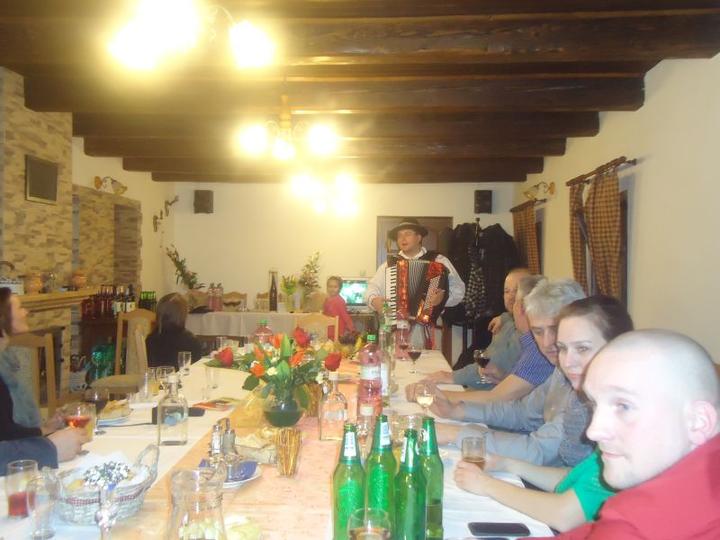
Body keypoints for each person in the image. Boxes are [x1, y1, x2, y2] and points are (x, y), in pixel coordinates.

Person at [455, 296, 633, 532]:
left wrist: (486, 485)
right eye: (563, 348)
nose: (567, 361)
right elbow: (575, 479)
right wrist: (507, 464)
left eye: (582, 348)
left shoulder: (629, 422)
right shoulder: (598, 403)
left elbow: (565, 515)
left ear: (617, 347)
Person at [540, 330, 720, 539]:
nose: (593, 431)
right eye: (593, 404)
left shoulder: (640, 524)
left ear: (698, 422)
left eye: (623, 406)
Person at [433, 279, 588, 466]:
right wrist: (457, 410)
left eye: (554, 329)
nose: (547, 343)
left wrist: (457, 434)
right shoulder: (560, 370)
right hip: (530, 463)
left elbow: (538, 450)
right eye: (538, 332)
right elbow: (521, 412)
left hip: (541, 473)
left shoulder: (587, 383)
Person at [423, 273, 547, 405]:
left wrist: (434, 395)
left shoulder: (537, 349)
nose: (510, 298)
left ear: (521, 308)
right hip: (489, 400)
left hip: (493, 405)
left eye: (515, 295)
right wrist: (503, 378)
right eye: (506, 291)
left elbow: (499, 399)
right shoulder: (513, 328)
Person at [0, 287, 88, 463]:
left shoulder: (7, 362)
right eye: (19, 308)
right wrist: (48, 444)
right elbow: (5, 435)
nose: (26, 312)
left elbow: (6, 429)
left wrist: (46, 428)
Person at [366, 218, 465, 347]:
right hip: (397, 328)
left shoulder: (439, 261)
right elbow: (371, 289)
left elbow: (459, 290)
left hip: (428, 328)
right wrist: (374, 301)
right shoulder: (389, 265)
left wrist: (443, 298)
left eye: (407, 234)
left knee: (428, 360)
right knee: (397, 359)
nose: (402, 238)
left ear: (419, 237)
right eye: (399, 235)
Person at [146, 293, 202, 368]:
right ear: (183, 314)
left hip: (157, 375)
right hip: (181, 375)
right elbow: (197, 369)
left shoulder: (150, 339)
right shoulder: (191, 341)